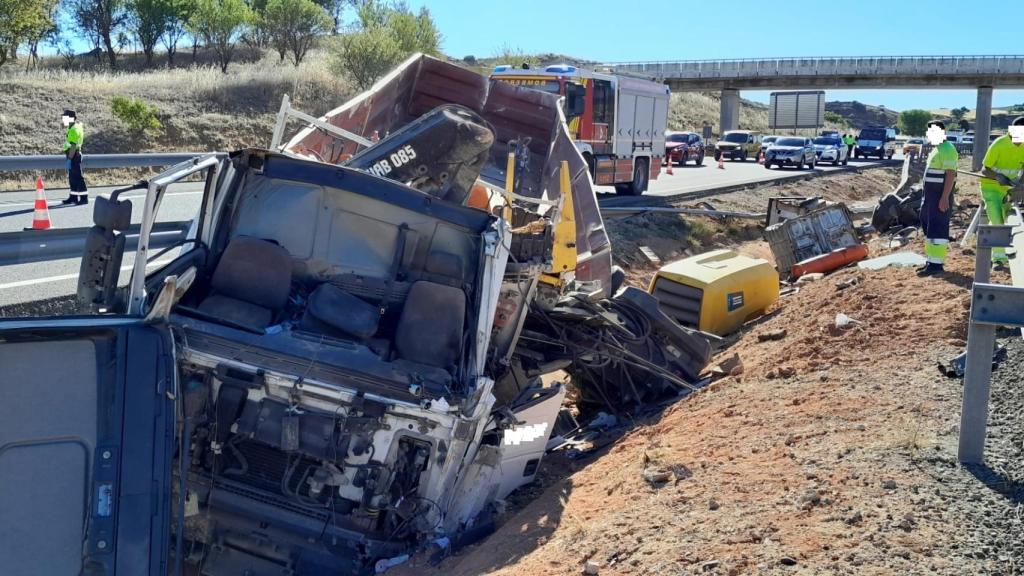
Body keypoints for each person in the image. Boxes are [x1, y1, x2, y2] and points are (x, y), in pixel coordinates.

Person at [979, 116, 1024, 269]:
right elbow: (985, 170)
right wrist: (998, 176)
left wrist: (1019, 184)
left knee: (1007, 219)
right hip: (991, 187)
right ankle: (998, 259)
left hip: (1009, 189)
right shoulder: (999, 144)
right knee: (997, 220)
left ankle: (1005, 250)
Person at [917, 120, 958, 276]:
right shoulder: (937, 149)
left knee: (937, 228)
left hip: (939, 197)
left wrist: (944, 197)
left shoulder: (948, 149)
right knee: (928, 225)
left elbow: (950, 174)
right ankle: (930, 260)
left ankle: (936, 265)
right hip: (930, 197)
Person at [60, 109, 88, 205]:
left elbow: (73, 146)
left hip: (73, 155)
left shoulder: (73, 130)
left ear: (70, 118)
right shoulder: (73, 127)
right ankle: (73, 197)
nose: (63, 119)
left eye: (64, 117)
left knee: (78, 177)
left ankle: (84, 198)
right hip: (73, 155)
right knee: (72, 178)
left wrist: (69, 159)